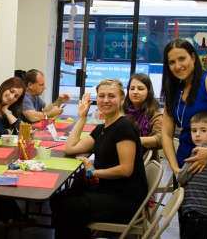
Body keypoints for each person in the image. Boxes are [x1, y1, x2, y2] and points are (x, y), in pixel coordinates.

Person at [52, 79, 148, 239]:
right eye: (101, 96)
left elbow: (126, 170)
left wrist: (94, 172)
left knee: (67, 206)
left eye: (111, 96)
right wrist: (82, 117)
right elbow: (70, 148)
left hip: (125, 198)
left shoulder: (124, 127)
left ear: (122, 99)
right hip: (109, 189)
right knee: (58, 198)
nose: (105, 100)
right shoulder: (102, 127)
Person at [161, 38, 207, 177]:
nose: (177, 66)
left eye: (182, 58)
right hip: (183, 164)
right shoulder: (173, 91)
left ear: (193, 58)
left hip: (206, 165)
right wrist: (175, 168)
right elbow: (166, 133)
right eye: (172, 62)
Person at [176, 112, 207, 239]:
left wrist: (180, 173)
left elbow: (181, 178)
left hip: (194, 210)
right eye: (194, 130)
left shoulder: (196, 152)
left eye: (203, 130)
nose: (197, 134)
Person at [123, 73, 163, 160]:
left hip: (144, 161)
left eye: (140, 89)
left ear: (148, 92)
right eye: (132, 88)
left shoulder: (155, 114)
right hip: (122, 156)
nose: (135, 92)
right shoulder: (122, 110)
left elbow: (161, 139)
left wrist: (134, 140)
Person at [0, 77, 26, 141]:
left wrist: (7, 113)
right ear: (4, 87)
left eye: (16, 96)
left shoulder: (10, 110)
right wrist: (8, 132)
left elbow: (25, 131)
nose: (11, 97)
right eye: (11, 91)